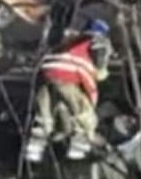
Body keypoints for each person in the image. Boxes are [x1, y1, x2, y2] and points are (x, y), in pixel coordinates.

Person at [25, 17, 113, 162]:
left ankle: (34, 150)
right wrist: (102, 72)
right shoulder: (98, 40)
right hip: (69, 76)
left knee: (44, 117)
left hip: (47, 74)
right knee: (84, 115)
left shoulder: (68, 39)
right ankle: (78, 150)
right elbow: (100, 65)